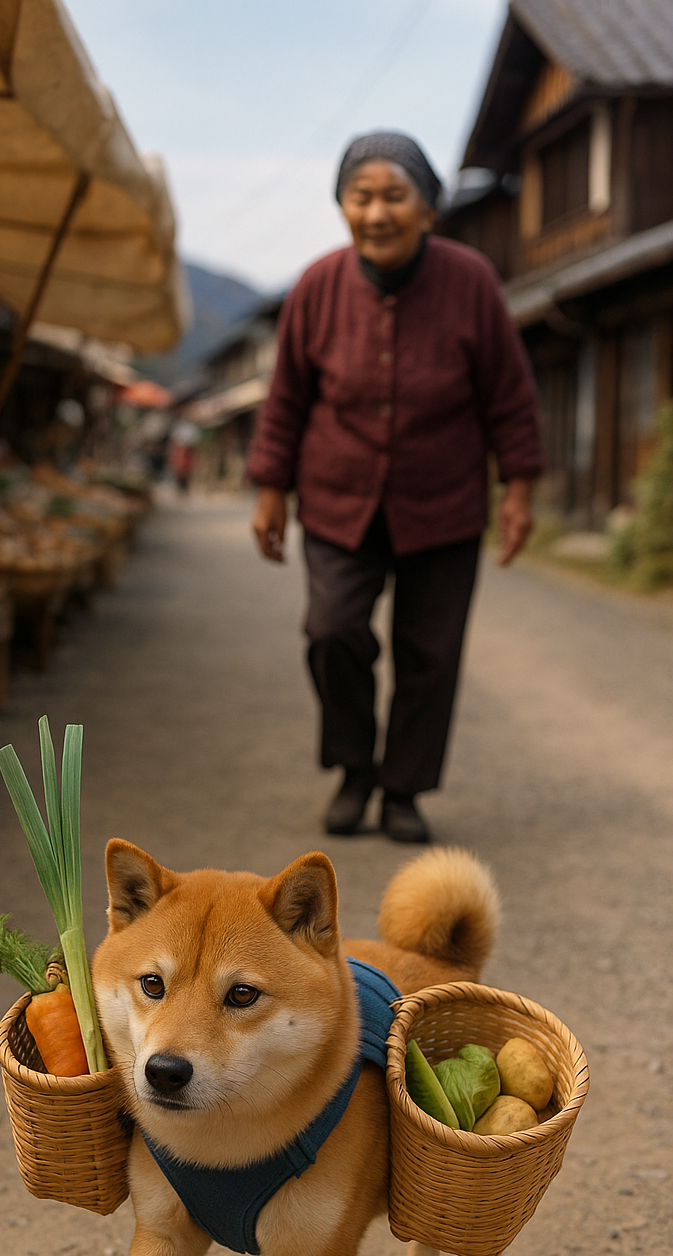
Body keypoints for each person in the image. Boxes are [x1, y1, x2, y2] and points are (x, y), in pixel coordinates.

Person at [248, 131, 543, 843]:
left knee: (430, 654)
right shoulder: (316, 287)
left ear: (428, 210)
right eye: (361, 197)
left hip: (443, 504)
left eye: (394, 196)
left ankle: (403, 789)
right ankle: (356, 769)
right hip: (337, 498)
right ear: (343, 208)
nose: (376, 213)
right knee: (331, 631)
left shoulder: (471, 282)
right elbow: (286, 397)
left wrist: (519, 487)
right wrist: (270, 488)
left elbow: (509, 394)